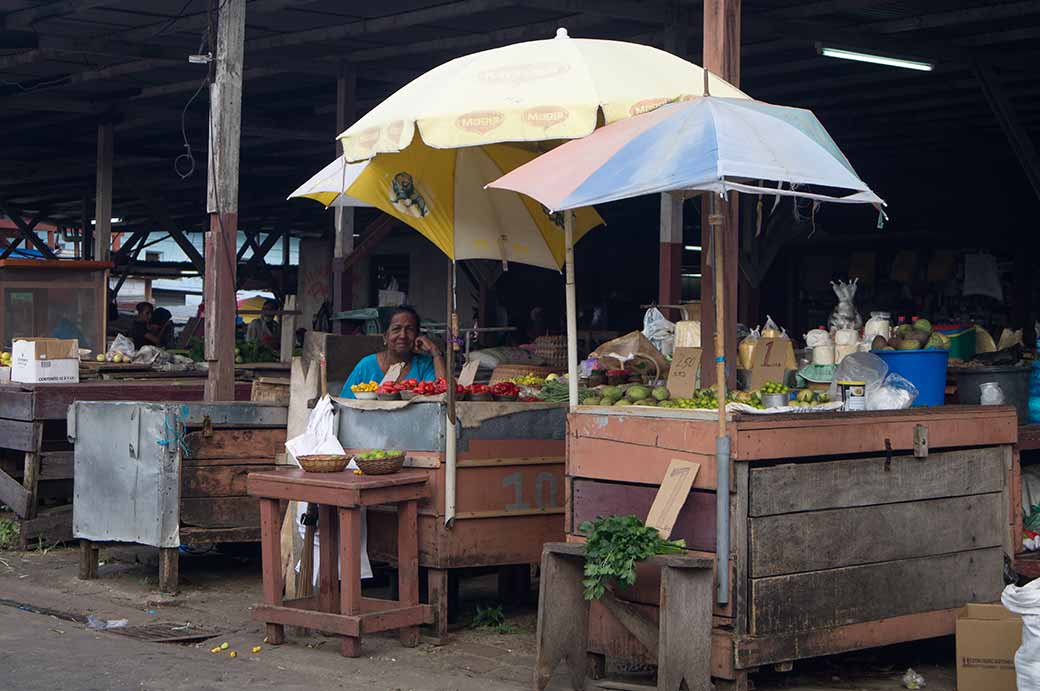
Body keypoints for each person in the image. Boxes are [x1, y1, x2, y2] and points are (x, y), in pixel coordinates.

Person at [340, 305, 445, 398]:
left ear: (417, 336)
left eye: (409, 329)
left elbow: (444, 394)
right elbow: (344, 402)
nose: (403, 335)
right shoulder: (366, 365)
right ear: (385, 337)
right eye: (396, 329)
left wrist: (435, 352)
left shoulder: (424, 365)